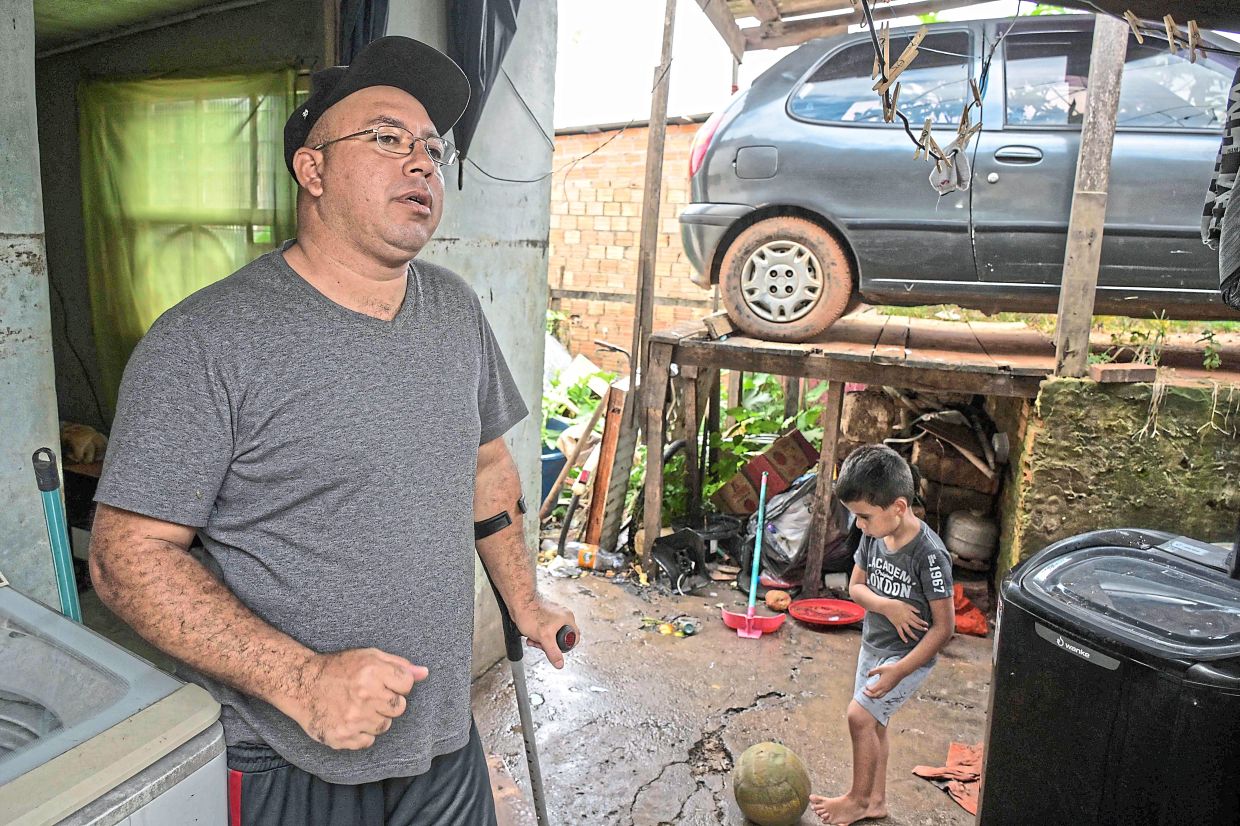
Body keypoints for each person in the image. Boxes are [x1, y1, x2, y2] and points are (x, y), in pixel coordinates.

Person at [88, 36, 576, 826]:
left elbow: (486, 466)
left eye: (431, 148)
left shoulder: (454, 310)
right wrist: (300, 681)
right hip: (288, 756)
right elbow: (125, 558)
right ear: (311, 172)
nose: (421, 163)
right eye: (386, 138)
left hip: (443, 739)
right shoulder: (206, 341)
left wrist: (526, 600)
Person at [810, 444, 954, 826]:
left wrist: (901, 671)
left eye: (864, 516)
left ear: (899, 507)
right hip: (873, 646)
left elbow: (945, 629)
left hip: (907, 657)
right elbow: (856, 588)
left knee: (859, 717)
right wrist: (887, 605)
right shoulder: (874, 535)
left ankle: (857, 800)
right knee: (875, 724)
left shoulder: (929, 556)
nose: (858, 525)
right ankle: (876, 801)